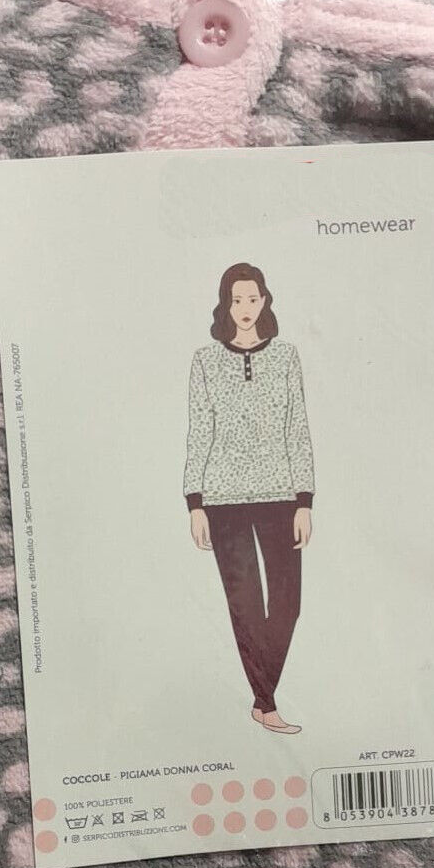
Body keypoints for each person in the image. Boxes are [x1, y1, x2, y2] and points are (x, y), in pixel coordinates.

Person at [184, 263, 314, 735]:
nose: (244, 308)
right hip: (223, 500)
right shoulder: (204, 361)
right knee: (245, 606)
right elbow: (199, 431)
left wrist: (305, 500)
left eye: (252, 298)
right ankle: (267, 705)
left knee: (287, 604)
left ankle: (262, 700)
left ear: (265, 301)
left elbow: (297, 428)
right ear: (225, 303)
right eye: (236, 299)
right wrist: (195, 502)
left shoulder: (286, 356)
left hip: (281, 495)